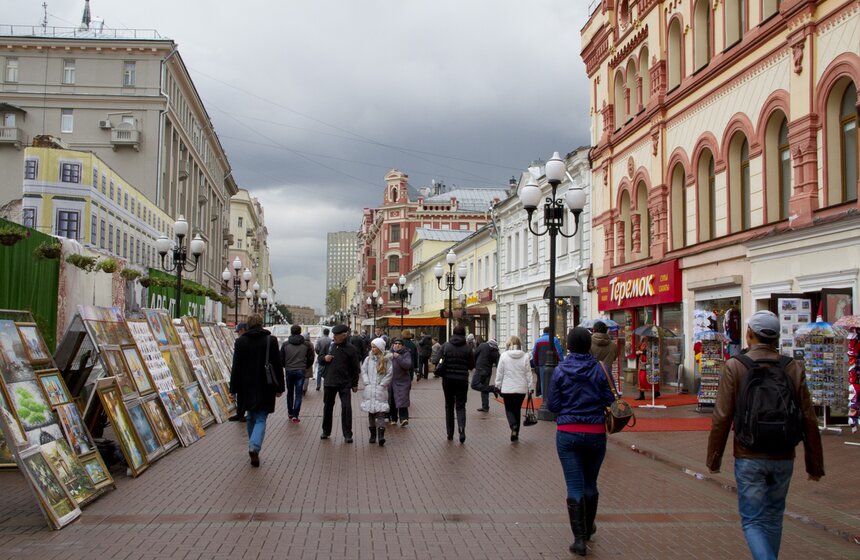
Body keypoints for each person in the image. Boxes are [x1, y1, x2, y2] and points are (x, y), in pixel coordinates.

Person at [707, 310, 824, 560]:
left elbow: (721, 417)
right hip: (783, 455)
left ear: (749, 334)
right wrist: (814, 464)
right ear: (775, 338)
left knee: (752, 521)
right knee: (773, 516)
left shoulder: (735, 366)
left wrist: (714, 459)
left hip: (748, 454)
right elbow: (808, 417)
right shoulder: (792, 367)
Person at [547, 327, 615, 556]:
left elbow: (553, 405)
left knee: (574, 485)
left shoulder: (559, 370)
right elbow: (610, 399)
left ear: (568, 345)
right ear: (588, 344)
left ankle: (578, 540)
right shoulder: (600, 368)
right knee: (591, 483)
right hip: (595, 432)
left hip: (567, 433)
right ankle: (587, 528)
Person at [228, 314, 284, 467]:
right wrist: (280, 387)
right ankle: (254, 447)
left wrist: (233, 389)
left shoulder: (240, 342)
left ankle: (253, 445)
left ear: (248, 326)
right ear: (261, 324)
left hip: (246, 386)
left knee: (251, 415)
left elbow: (236, 367)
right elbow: (277, 366)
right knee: (261, 417)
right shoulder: (270, 341)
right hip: (265, 385)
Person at [321, 324, 360, 443]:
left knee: (346, 408)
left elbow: (355, 367)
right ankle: (326, 431)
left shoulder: (351, 349)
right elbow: (320, 359)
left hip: (345, 382)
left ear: (344, 335)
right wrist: (324, 358)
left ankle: (347, 434)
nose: (334, 337)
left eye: (336, 335)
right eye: (334, 335)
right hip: (330, 381)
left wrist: (354, 383)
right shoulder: (329, 345)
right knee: (328, 407)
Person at [439, 326, 475, 443]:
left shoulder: (446, 346)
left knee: (449, 406)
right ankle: (461, 428)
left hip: (447, 380)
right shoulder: (468, 348)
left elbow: (438, 360)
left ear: (453, 333)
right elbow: (471, 365)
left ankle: (450, 433)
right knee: (460, 406)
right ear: (464, 334)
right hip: (462, 380)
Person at [494, 336, 533, 442]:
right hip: (521, 389)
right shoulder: (525, 356)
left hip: (508, 388)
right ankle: (516, 434)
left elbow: (500, 372)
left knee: (509, 409)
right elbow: (528, 373)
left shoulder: (504, 356)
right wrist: (530, 387)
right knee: (517, 410)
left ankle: (513, 426)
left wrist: (497, 385)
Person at [360, 338, 392, 446]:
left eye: (374, 347)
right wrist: (366, 382)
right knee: (371, 413)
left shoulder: (386, 360)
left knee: (381, 413)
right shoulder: (368, 359)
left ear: (379, 348)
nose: (372, 349)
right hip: (369, 390)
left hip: (380, 390)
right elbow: (363, 370)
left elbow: (389, 373)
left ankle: (381, 435)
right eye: (372, 347)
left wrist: (382, 384)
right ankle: (373, 434)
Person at [280, 325, 314, 423]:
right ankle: (295, 415)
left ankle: (290, 413)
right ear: (300, 332)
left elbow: (281, 357)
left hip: (289, 370)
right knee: (298, 394)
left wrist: (285, 365)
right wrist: (306, 366)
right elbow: (311, 358)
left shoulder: (285, 344)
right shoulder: (306, 345)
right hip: (300, 370)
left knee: (290, 392)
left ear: (291, 332)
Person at [531, 326, 564, 397]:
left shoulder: (538, 341)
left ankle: (544, 398)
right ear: (550, 332)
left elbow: (534, 354)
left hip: (542, 364)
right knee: (553, 381)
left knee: (543, 382)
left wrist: (536, 363)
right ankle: (552, 397)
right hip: (553, 364)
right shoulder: (554, 340)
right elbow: (559, 352)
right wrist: (561, 361)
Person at [387, 338, 413, 426]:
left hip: (403, 381)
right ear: (393, 344)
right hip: (391, 381)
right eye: (396, 343)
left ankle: (403, 419)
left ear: (402, 345)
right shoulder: (388, 353)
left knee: (402, 399)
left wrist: (398, 357)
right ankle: (393, 418)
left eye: (399, 343)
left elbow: (407, 365)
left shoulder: (406, 353)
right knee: (392, 400)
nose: (397, 345)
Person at [229, 322, 251, 422]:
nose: (237, 333)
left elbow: (236, 362)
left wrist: (232, 388)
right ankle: (241, 413)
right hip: (248, 373)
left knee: (243, 394)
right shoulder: (242, 340)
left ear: (242, 330)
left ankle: (243, 413)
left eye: (238, 331)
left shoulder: (240, 341)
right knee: (242, 394)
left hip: (243, 372)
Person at [472, 338, 500, 412]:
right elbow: (498, 366)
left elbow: (474, 355)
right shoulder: (496, 352)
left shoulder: (483, 345)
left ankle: (493, 389)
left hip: (480, 369)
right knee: (484, 388)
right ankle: (485, 407)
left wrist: (474, 365)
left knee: (474, 385)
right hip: (488, 372)